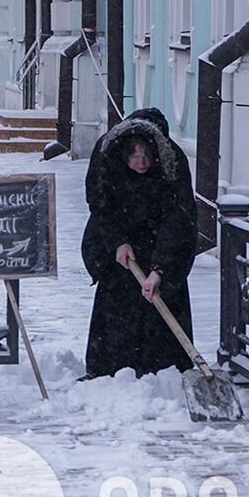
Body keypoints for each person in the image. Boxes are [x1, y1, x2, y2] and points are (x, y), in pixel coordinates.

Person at [81, 108, 200, 378]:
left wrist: (161, 269)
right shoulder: (107, 156)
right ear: (123, 152)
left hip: (161, 242)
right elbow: (101, 205)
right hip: (122, 252)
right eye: (134, 155)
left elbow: (179, 219)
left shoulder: (173, 162)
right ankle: (111, 368)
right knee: (118, 310)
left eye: (147, 155)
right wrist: (117, 242)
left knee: (162, 308)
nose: (141, 162)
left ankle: (165, 370)